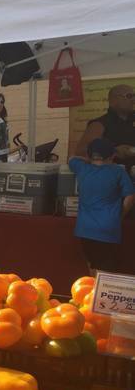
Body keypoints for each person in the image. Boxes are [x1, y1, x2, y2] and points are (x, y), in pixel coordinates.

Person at [69, 137, 135, 274]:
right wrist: (121, 214)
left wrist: (89, 160)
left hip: (85, 228)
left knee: (92, 265)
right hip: (108, 226)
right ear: (113, 156)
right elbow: (130, 196)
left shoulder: (81, 167)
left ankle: (92, 293)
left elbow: (72, 158)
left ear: (88, 155)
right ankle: (100, 294)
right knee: (106, 269)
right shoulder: (118, 172)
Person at [75, 84, 135, 167]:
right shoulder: (99, 124)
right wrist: (114, 151)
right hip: (113, 176)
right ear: (113, 100)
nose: (133, 100)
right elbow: (81, 153)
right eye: (129, 96)